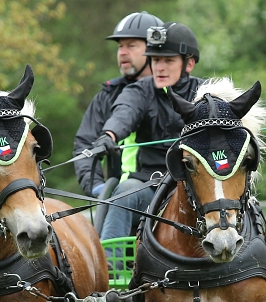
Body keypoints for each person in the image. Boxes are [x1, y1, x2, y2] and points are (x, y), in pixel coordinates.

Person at [96, 22, 204, 244]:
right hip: (149, 186)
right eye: (155, 60)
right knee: (125, 192)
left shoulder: (207, 93)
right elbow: (124, 113)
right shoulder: (139, 90)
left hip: (199, 186)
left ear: (189, 63)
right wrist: (109, 135)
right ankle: (110, 267)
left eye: (168, 60)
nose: (159, 67)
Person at [73, 11, 164, 198]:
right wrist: (97, 187)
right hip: (119, 196)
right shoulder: (107, 95)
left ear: (154, 50)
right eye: (120, 46)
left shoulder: (177, 93)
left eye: (131, 46)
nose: (122, 52)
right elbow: (85, 143)